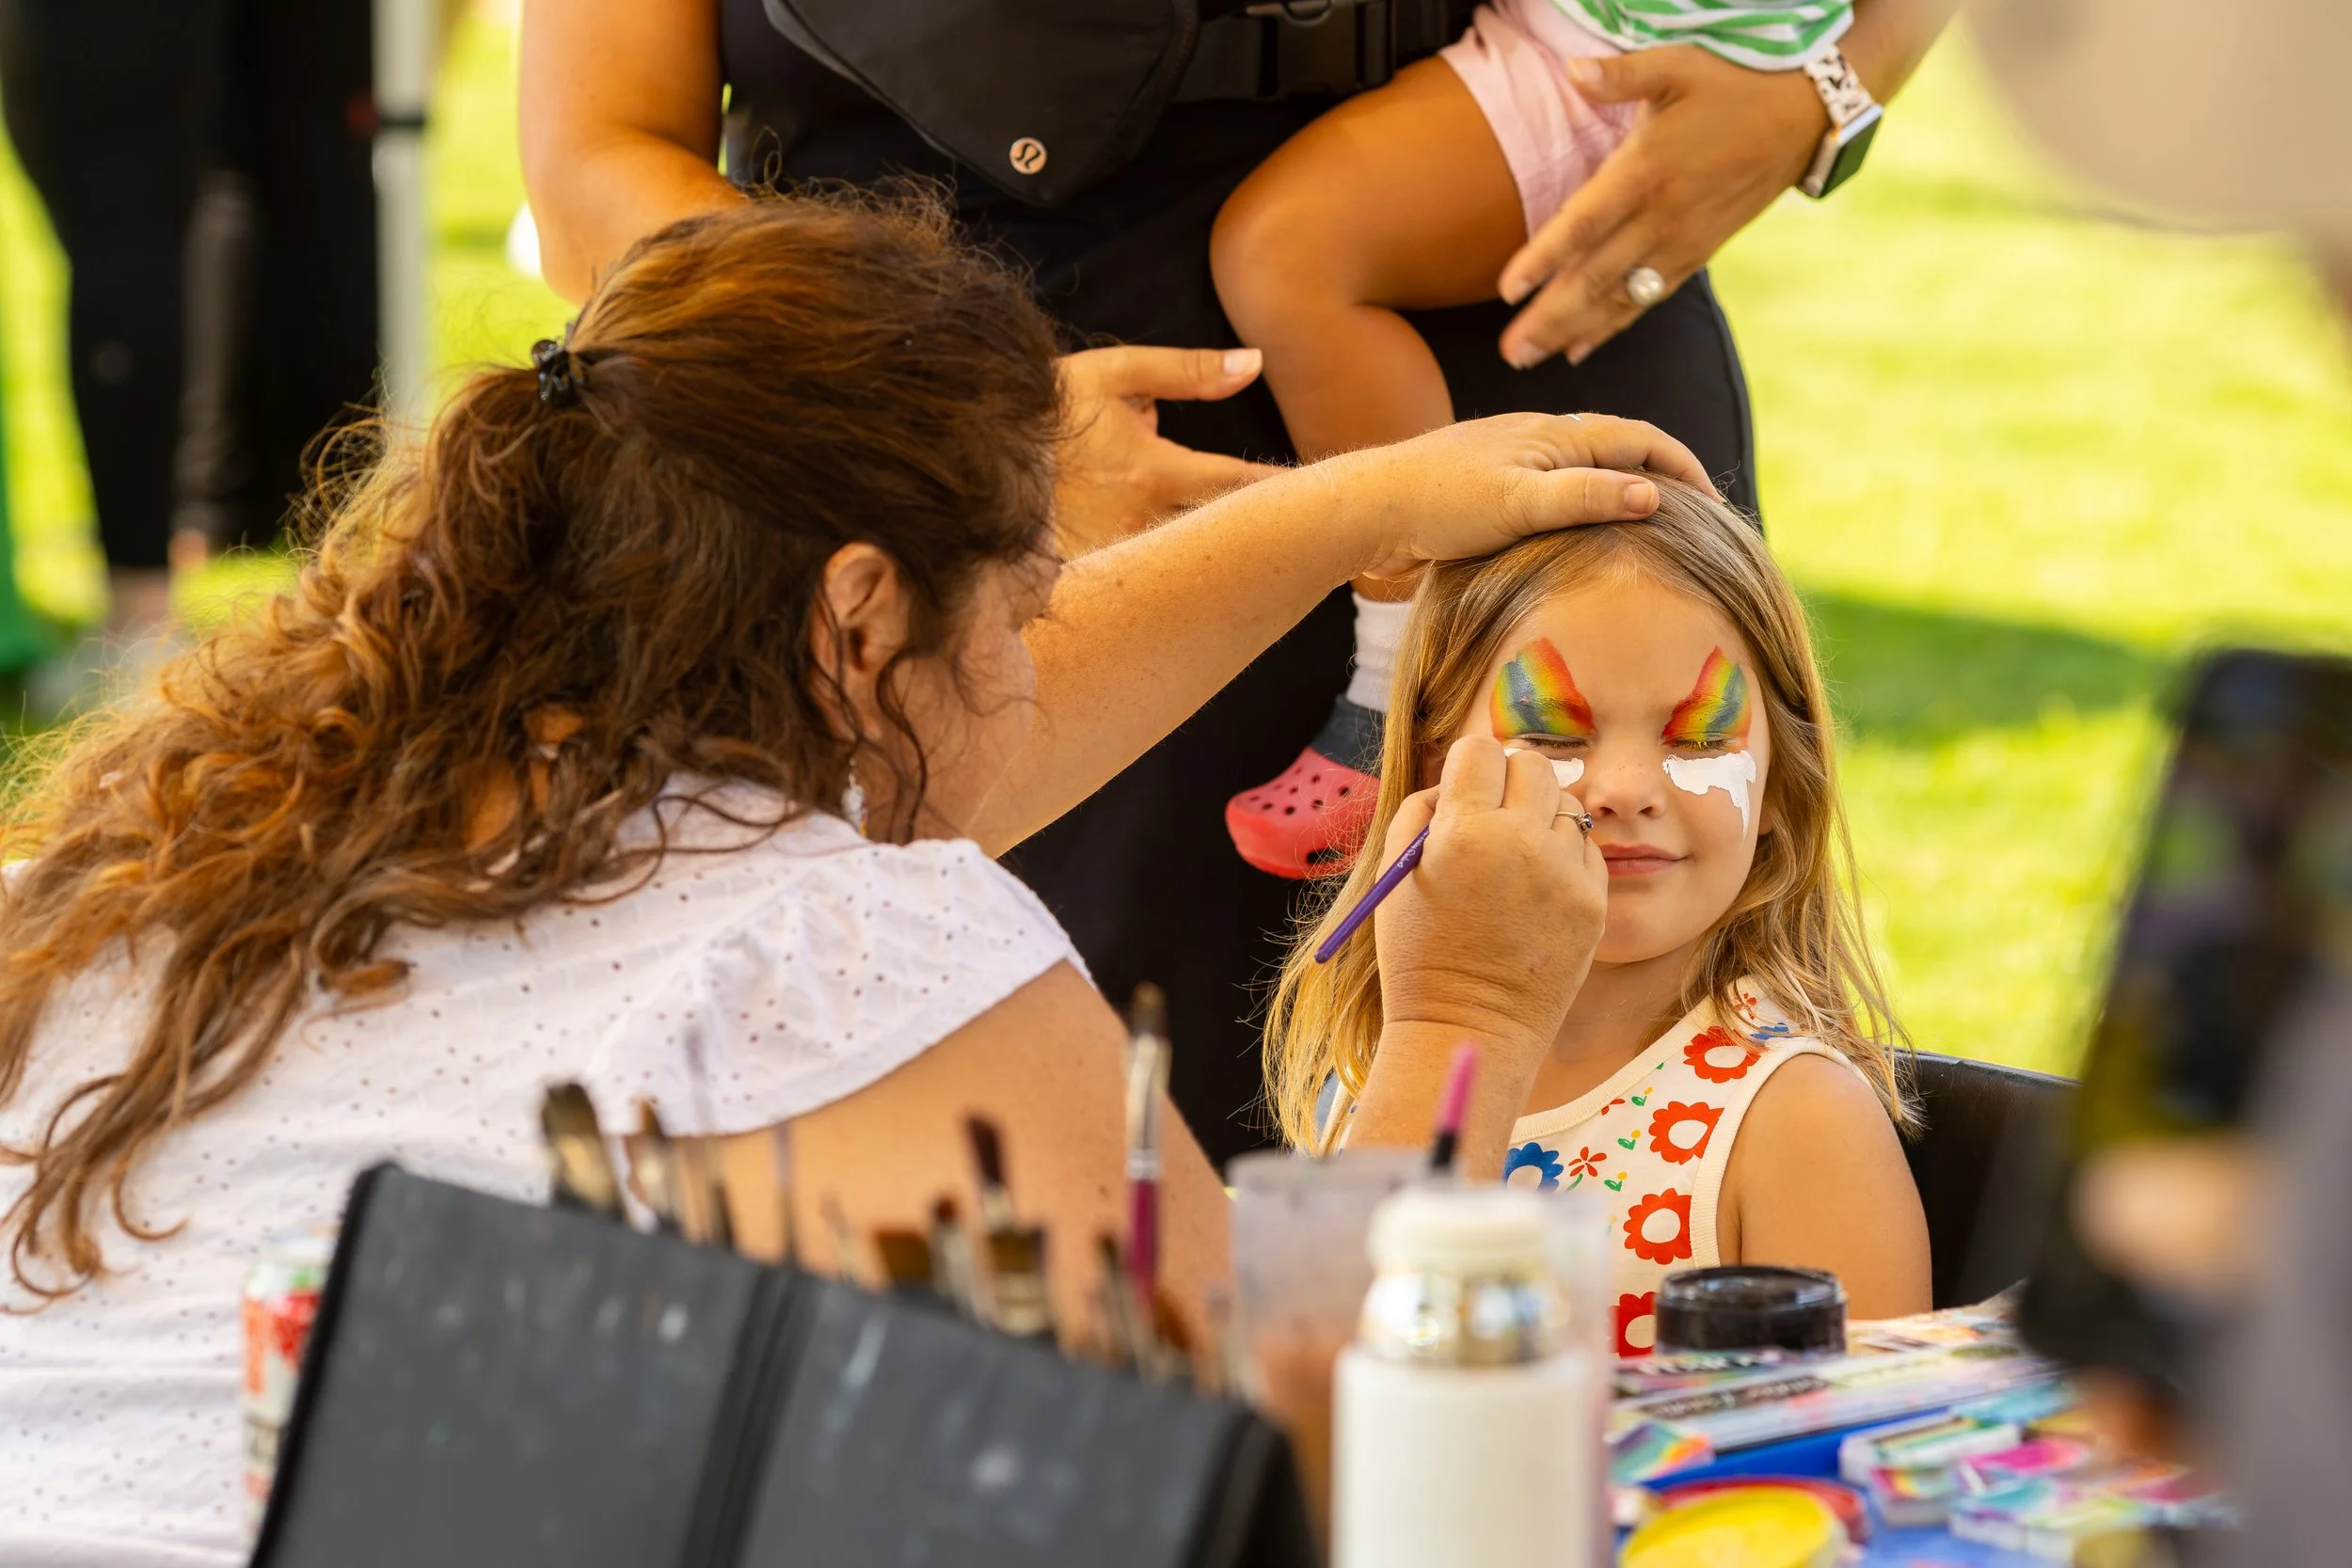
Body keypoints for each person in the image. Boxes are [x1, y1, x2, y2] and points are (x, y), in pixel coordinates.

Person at [0, 194, 1702, 1567]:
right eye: (1029, 607)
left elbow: (900, 761)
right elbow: (1286, 1483)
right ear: (862, 610)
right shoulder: (845, 944)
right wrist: (1466, 1017)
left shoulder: (162, 852)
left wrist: (1363, 506)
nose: (1043, 657)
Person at [517, 0, 1969, 1164]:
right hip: (920, 430)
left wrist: (1833, 79)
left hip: (1498, 317)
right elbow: (598, 149)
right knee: (1063, 1214)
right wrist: (959, 427)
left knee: (1648, 1137)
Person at [1212, 0, 1923, 879]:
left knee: (1285, 252)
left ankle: (1401, 682)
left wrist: (1826, 91)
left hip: (1604, 60)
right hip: (1582, 52)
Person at [1264, 479, 1930, 1343]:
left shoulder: (1799, 1123)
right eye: (1549, 732)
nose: (1623, 789)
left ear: (1780, 785)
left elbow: (1853, 1456)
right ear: (1438, 765)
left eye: (1696, 737)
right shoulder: (1371, 1076)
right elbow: (1317, 1380)